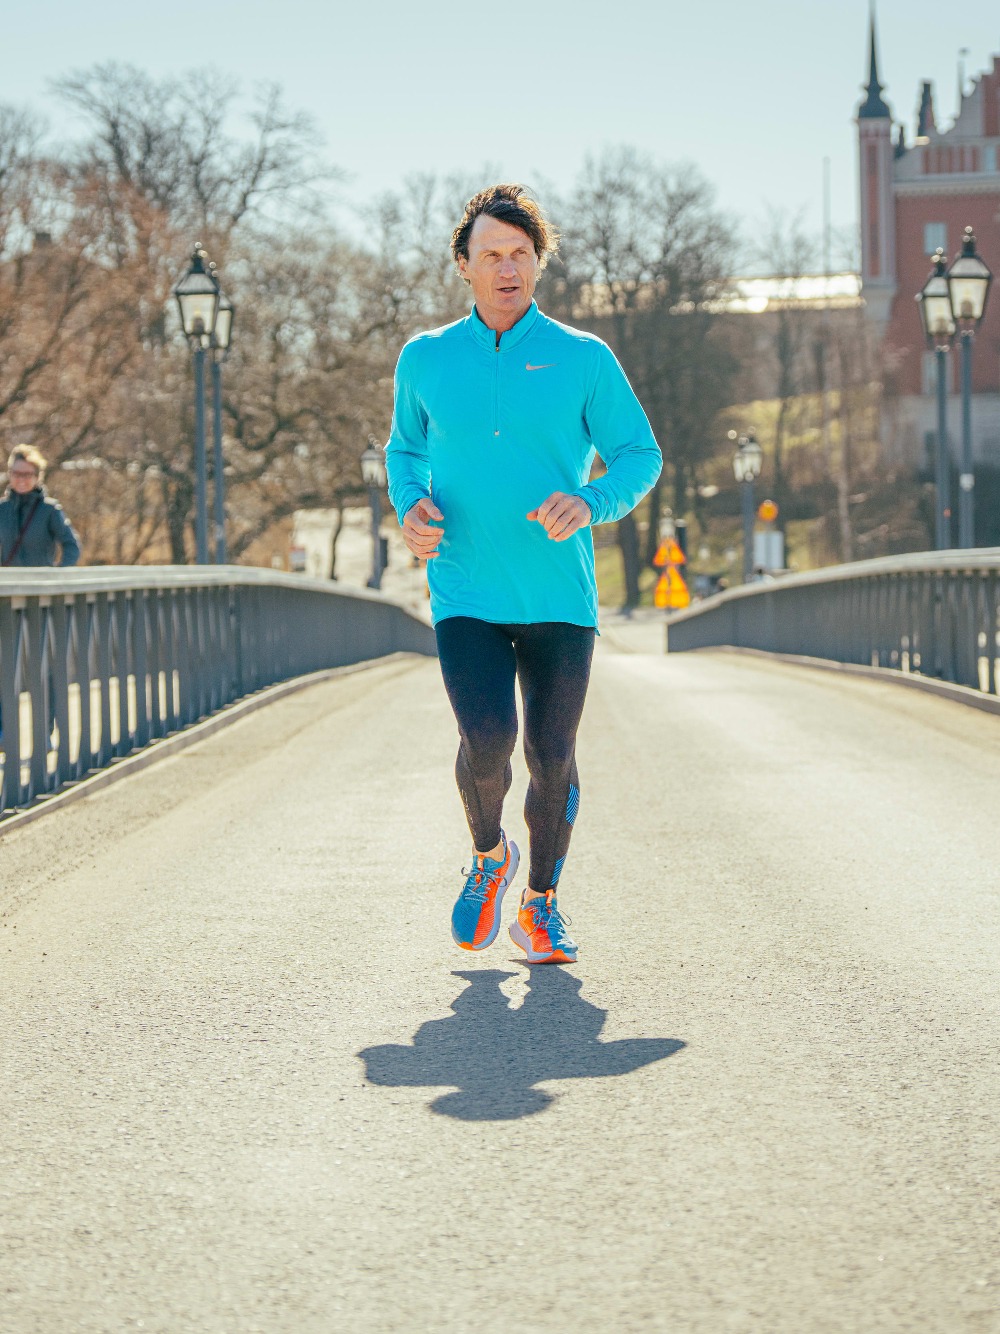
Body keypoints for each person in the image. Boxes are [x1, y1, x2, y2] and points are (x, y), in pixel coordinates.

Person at [386, 184, 660, 965]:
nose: (507, 269)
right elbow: (404, 449)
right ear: (464, 266)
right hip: (465, 589)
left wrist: (592, 499)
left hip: (557, 597)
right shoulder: (426, 357)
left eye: (520, 254)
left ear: (538, 263)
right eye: (491, 255)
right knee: (487, 738)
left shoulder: (583, 358)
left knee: (549, 754)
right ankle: (486, 855)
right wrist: (410, 504)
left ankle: (541, 904)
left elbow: (641, 455)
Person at [0, 445, 81, 568]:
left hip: (40, 583)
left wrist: (59, 574)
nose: (21, 479)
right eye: (16, 474)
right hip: (9, 584)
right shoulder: (3, 509)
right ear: (10, 474)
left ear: (37, 477)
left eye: (27, 474)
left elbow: (71, 545)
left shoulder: (49, 509)